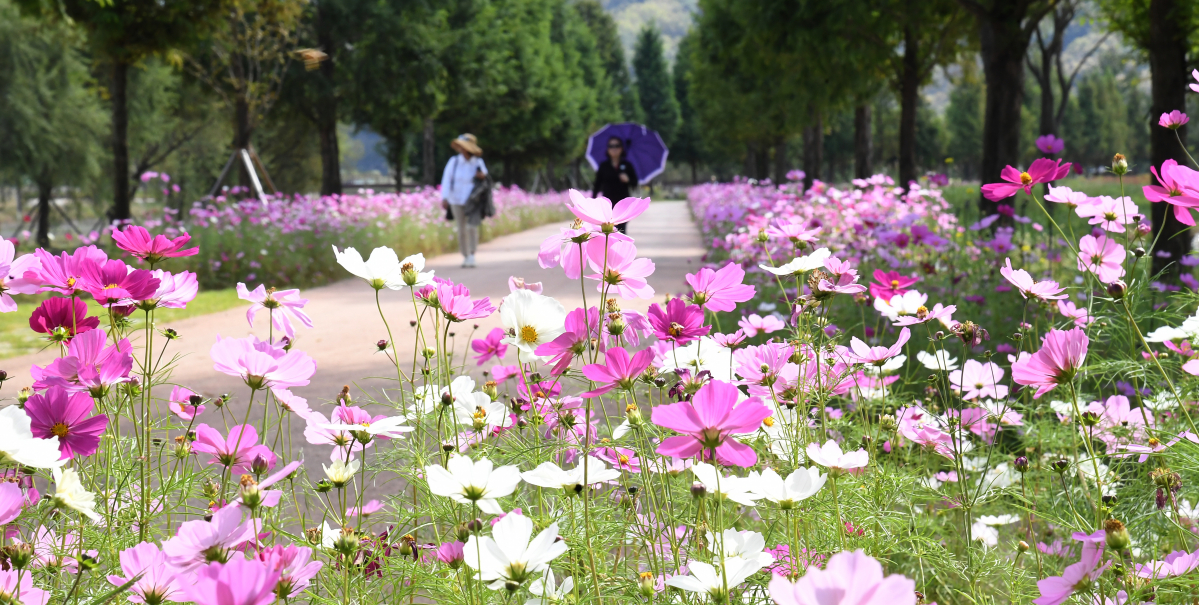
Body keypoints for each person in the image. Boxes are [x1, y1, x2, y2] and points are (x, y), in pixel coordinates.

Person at [440, 134, 488, 267]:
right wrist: (445, 197)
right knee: (461, 228)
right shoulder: (454, 161)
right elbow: (446, 179)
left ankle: (472, 254)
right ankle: (465, 255)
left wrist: (481, 176)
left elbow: (486, 178)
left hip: (473, 200)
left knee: (472, 226)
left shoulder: (478, 162)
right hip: (456, 199)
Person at [592, 136, 639, 233]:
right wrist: (592, 202)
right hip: (608, 204)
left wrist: (628, 180)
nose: (614, 148)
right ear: (607, 149)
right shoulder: (604, 166)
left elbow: (635, 183)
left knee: (621, 230)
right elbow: (597, 185)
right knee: (608, 231)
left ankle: (621, 248)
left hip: (623, 203)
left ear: (621, 148)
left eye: (617, 146)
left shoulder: (627, 165)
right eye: (611, 146)